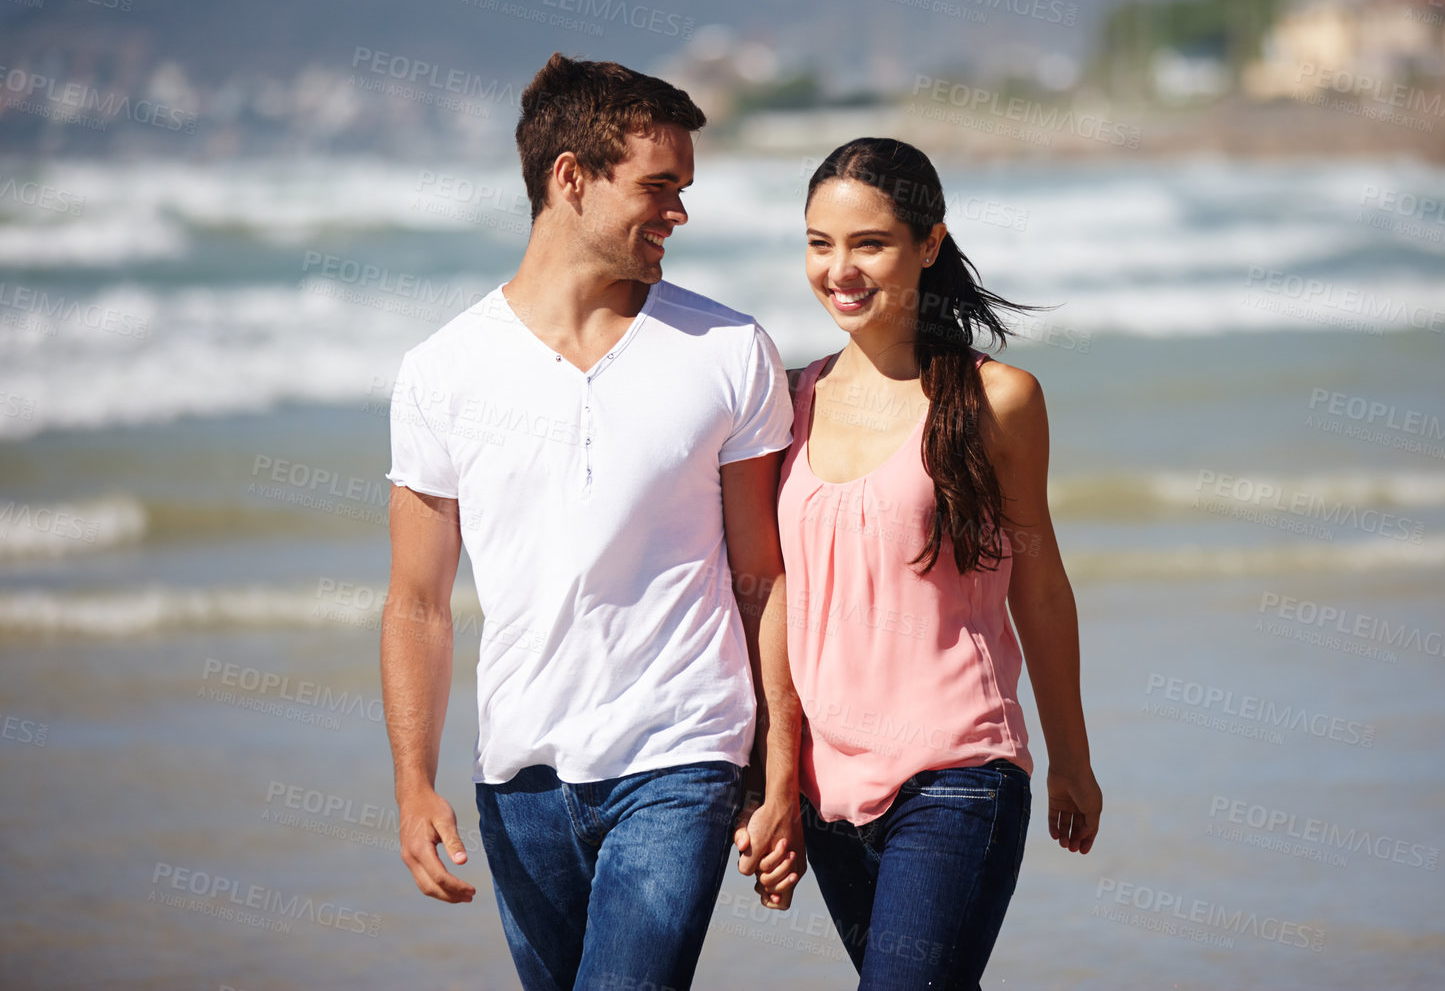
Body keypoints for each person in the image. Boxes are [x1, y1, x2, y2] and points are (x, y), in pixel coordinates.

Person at [381, 54, 805, 991]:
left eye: (685, 189)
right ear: (569, 178)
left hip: (681, 755)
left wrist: (780, 773)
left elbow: (761, 579)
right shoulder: (442, 371)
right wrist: (414, 783)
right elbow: (417, 602)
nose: (680, 213)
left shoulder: (730, 350)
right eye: (659, 187)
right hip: (520, 777)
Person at [766, 137, 1102, 987]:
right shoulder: (786, 399)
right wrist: (769, 783)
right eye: (819, 243)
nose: (839, 269)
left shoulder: (998, 400)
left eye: (868, 243)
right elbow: (767, 596)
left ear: (930, 243)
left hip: (957, 771)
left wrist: (1071, 757)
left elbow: (1041, 586)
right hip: (825, 788)